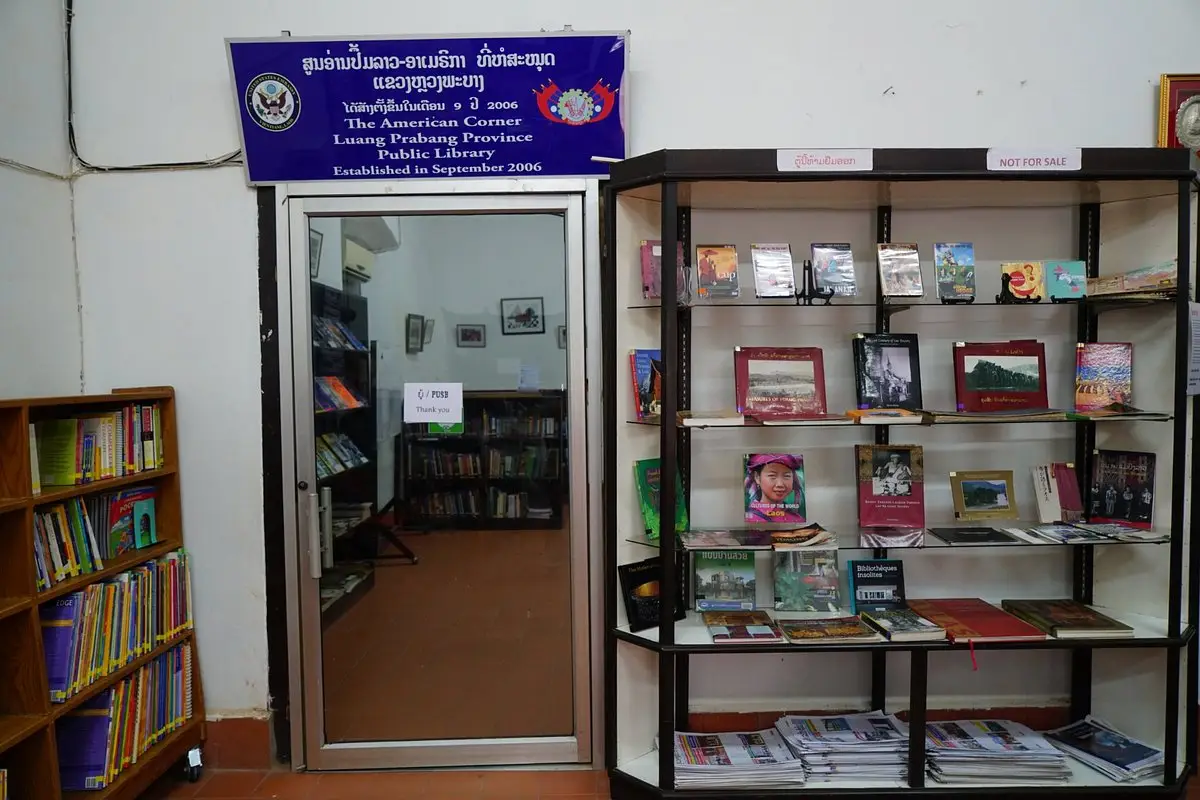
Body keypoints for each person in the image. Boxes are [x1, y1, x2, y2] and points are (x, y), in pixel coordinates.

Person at [745, 453, 805, 523]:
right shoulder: (749, 518)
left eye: (787, 476)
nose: (780, 484)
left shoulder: (798, 519)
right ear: (757, 478)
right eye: (772, 476)